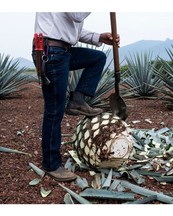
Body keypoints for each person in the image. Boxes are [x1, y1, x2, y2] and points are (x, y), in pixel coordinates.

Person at [32, 12, 120, 182]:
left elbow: (73, 29)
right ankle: (51, 164)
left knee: (98, 58)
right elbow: (77, 14)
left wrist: (99, 37)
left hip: (62, 50)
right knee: (54, 110)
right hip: (51, 52)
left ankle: (77, 100)